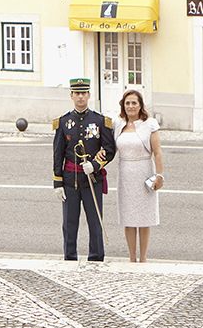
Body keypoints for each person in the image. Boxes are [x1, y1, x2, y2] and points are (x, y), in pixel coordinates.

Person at [53, 78, 115, 261]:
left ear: (89, 95)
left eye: (84, 93)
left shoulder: (100, 121)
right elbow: (58, 154)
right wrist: (57, 182)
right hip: (70, 179)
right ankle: (70, 256)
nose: (80, 97)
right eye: (77, 93)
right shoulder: (63, 122)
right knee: (69, 222)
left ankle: (96, 257)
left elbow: (109, 150)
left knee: (95, 221)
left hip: (92, 179)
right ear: (71, 95)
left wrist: (95, 165)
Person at [114, 89, 162, 262]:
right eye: (127, 103)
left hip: (144, 171)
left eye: (134, 102)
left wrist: (159, 175)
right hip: (125, 172)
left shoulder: (150, 124)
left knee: (144, 217)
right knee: (128, 217)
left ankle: (143, 258)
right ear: (123, 105)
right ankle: (132, 258)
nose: (131, 106)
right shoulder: (118, 124)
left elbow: (157, 153)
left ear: (140, 105)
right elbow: (110, 148)